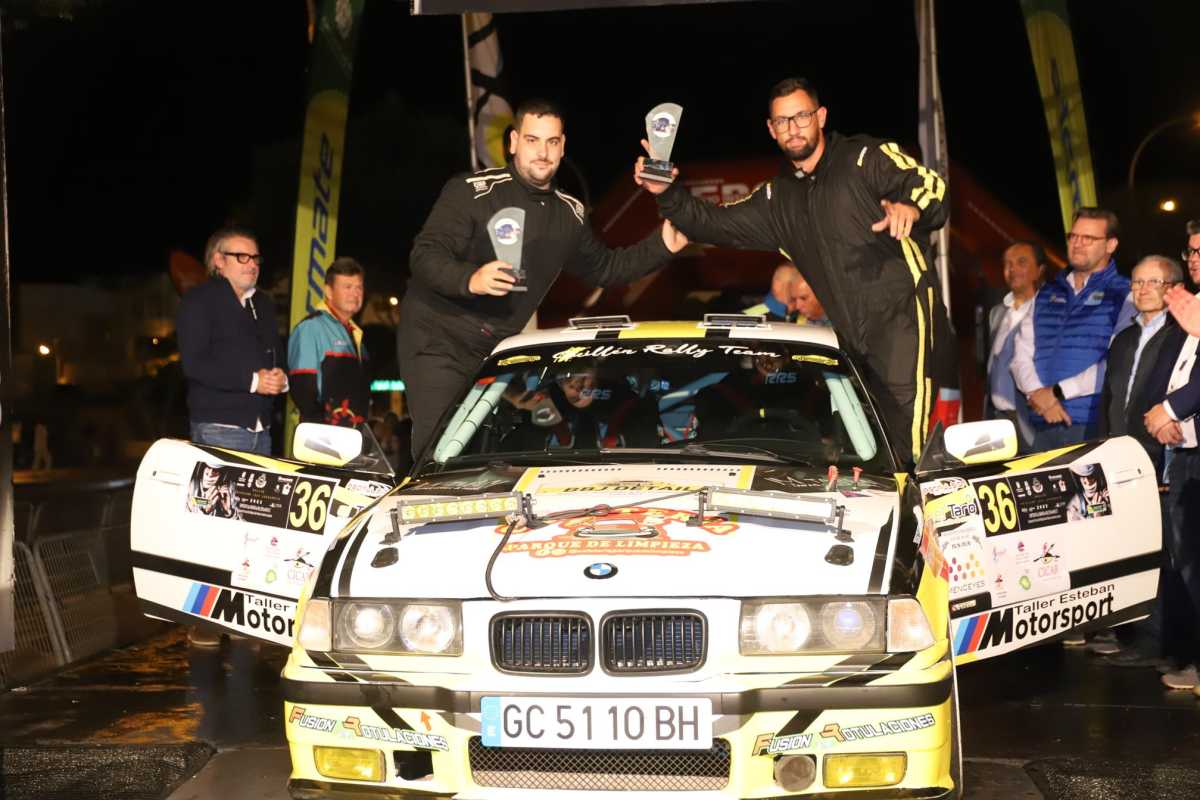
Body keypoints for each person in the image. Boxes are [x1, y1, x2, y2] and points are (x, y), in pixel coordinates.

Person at [635, 76, 952, 465]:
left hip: (903, 321)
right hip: (847, 339)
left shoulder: (866, 157)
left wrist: (912, 208)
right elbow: (711, 223)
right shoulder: (777, 199)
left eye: (801, 116)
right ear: (771, 129)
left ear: (821, 117)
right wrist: (665, 191)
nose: (793, 128)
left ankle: (913, 498)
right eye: (782, 121)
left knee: (905, 442)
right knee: (863, 448)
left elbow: (932, 187)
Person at [400, 98, 689, 457]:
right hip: (439, 339)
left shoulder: (569, 214)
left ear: (562, 146)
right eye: (532, 140)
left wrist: (662, 245)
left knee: (485, 456)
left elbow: (606, 268)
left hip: (498, 353)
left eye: (552, 142)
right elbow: (425, 255)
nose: (542, 152)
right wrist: (470, 278)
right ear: (513, 142)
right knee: (439, 452)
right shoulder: (471, 191)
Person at [1010, 208, 1134, 451]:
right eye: (1073, 236)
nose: (1077, 244)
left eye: (1088, 238)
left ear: (1110, 245)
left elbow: (1119, 362)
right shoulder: (1046, 293)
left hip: (1092, 423)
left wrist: (1057, 393)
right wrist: (1037, 394)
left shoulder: (1125, 294)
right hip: (1041, 422)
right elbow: (1020, 354)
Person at [177, 225, 286, 456]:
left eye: (255, 258)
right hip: (219, 429)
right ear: (219, 260)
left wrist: (281, 378)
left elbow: (276, 353)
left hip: (263, 429)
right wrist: (254, 381)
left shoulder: (263, 303)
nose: (252, 265)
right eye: (242, 257)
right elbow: (194, 364)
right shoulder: (199, 300)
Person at [288, 257, 370, 428]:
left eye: (359, 287)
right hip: (322, 436)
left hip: (353, 435)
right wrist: (323, 433)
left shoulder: (356, 334)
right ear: (329, 291)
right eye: (347, 287)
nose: (355, 293)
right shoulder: (311, 328)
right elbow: (303, 390)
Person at [983, 242, 1047, 451]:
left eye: (1021, 262)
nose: (1012, 269)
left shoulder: (1047, 312)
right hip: (997, 420)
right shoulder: (997, 313)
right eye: (1007, 264)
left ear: (1039, 270)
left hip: (1030, 420)